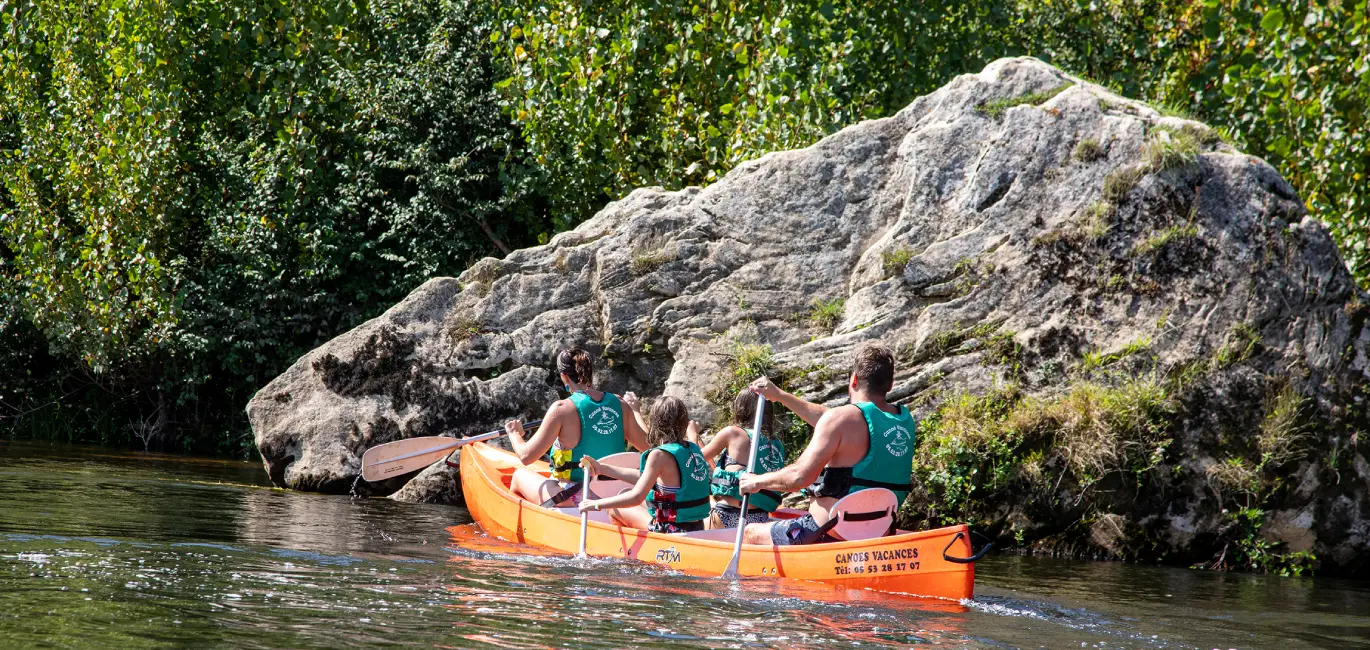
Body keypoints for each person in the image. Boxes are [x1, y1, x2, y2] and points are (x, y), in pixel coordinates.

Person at [738, 343, 914, 545]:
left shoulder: (840, 420)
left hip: (828, 533)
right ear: (890, 384)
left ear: (854, 379)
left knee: (749, 532)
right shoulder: (903, 421)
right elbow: (826, 417)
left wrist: (756, 481)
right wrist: (779, 396)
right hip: (879, 532)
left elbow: (798, 478)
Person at [503, 347, 648, 506]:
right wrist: (635, 412)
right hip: (617, 495)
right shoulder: (620, 404)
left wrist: (514, 433)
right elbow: (648, 448)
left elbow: (526, 457)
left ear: (564, 376)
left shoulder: (561, 409)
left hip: (579, 497)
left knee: (518, 475)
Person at [578, 396, 712, 533]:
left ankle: (627, 552)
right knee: (624, 493)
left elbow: (636, 497)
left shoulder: (659, 455)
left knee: (614, 508)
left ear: (656, 422)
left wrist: (595, 504)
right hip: (696, 526)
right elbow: (645, 478)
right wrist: (603, 469)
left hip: (671, 529)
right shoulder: (692, 448)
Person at [696, 389, 787, 529]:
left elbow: (693, 460)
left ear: (740, 409)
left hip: (727, 516)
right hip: (759, 519)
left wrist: (693, 435)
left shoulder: (733, 433)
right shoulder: (776, 444)